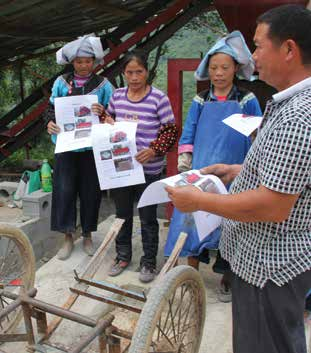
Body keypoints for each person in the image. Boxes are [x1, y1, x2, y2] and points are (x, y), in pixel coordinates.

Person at [165, 5, 311, 353]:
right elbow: (287, 174)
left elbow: (273, 205)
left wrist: (198, 201)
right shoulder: (287, 103)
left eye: (259, 46)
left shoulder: (298, 115)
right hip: (261, 261)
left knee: (265, 345)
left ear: (289, 49)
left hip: (269, 267)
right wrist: (237, 172)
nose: (254, 56)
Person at [164, 31, 262, 301]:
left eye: (225, 68)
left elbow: (259, 134)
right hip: (203, 170)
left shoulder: (247, 100)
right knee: (193, 221)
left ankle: (227, 278)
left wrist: (252, 163)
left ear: (236, 70)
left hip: (234, 172)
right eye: (214, 68)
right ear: (208, 70)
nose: (219, 73)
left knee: (231, 224)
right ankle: (190, 275)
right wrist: (185, 161)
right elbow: (189, 132)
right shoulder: (200, 100)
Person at [105, 50, 178, 283]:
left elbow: (170, 130)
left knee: (147, 217)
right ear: (124, 73)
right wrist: (105, 120)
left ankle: (148, 262)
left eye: (139, 72)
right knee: (123, 214)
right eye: (129, 72)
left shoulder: (158, 98)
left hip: (149, 169)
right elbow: (108, 122)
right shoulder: (117, 96)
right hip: (122, 168)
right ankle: (122, 256)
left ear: (146, 72)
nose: (134, 77)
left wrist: (154, 149)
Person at [45, 35, 114, 260]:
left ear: (94, 62)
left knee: (90, 191)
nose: (83, 65)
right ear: (72, 63)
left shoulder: (103, 85)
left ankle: (87, 235)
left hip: (92, 148)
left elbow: (113, 114)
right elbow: (50, 109)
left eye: (87, 61)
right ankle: (67, 237)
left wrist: (102, 112)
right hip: (66, 147)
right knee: (64, 191)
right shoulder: (61, 83)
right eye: (78, 61)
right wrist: (50, 122)